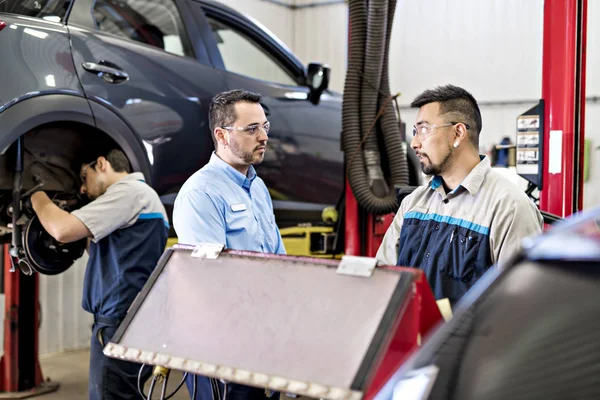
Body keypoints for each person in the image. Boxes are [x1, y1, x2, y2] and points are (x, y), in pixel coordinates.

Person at [376, 84, 543, 306]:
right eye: (415, 132)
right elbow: (383, 278)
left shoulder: (508, 207)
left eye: (424, 129)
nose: (415, 143)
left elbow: (521, 304)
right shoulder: (413, 204)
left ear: (457, 133)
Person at [173, 89, 285, 400]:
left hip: (261, 337)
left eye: (265, 126)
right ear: (222, 135)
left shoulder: (257, 186)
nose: (263, 136)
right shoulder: (201, 193)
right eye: (252, 129)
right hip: (221, 346)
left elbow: (276, 258)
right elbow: (209, 280)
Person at [30, 149, 169, 400]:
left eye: (84, 176)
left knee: (109, 395)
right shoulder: (140, 197)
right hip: (127, 320)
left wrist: (36, 196)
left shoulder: (129, 194)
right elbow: (102, 253)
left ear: (102, 164)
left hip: (119, 322)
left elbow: (62, 230)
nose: (82, 188)